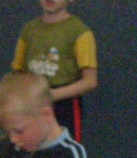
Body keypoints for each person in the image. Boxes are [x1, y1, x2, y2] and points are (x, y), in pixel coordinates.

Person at [12, 0, 98, 142]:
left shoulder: (80, 32)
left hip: (65, 104)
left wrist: (53, 95)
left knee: (64, 149)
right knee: (29, 149)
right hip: (33, 102)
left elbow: (90, 81)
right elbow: (18, 73)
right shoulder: (28, 30)